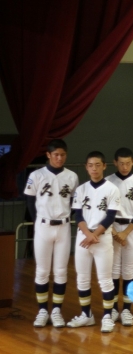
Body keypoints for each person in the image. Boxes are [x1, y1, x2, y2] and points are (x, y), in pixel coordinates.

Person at [24, 139, 79, 328]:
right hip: (43, 226)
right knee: (42, 270)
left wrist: (65, 216)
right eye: (56, 154)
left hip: (63, 226)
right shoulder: (36, 175)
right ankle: (42, 311)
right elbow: (30, 201)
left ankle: (56, 311)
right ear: (48, 155)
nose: (59, 158)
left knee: (61, 271)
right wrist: (36, 221)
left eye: (62, 154)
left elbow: (74, 202)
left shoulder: (72, 176)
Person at [68, 151, 121, 332]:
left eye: (98, 165)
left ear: (104, 166)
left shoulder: (112, 189)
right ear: (86, 167)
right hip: (84, 237)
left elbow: (110, 216)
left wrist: (94, 234)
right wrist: (87, 234)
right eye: (90, 165)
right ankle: (86, 315)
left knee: (105, 280)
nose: (94, 168)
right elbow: (78, 215)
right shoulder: (81, 189)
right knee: (82, 279)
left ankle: (107, 317)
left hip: (102, 238)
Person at [106, 147, 133, 327]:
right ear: (115, 163)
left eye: (128, 163)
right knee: (114, 271)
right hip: (112, 227)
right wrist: (115, 232)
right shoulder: (108, 182)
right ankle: (114, 308)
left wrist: (125, 232)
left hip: (131, 228)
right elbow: (103, 210)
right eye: (121, 163)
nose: (124, 167)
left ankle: (127, 310)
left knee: (129, 271)